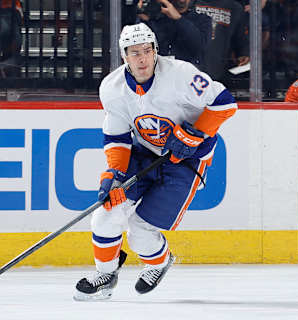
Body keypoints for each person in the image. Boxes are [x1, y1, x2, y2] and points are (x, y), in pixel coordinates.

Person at [74, 23, 237, 301]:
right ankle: (106, 274)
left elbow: (224, 103)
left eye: (147, 51)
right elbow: (117, 136)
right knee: (105, 216)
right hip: (143, 154)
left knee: (140, 230)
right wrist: (113, 172)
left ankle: (159, 263)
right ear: (124, 55)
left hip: (187, 161)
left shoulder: (181, 74)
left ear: (155, 51)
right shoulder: (112, 88)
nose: (142, 58)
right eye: (134, 52)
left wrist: (193, 135)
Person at [137, 0, 211, 67]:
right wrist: (141, 16)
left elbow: (199, 48)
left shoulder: (202, 19)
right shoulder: (158, 17)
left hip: (187, 73)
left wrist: (179, 19)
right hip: (160, 71)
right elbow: (143, 45)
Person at [194, 0, 249, 82]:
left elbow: (240, 39)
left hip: (218, 74)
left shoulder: (235, 8)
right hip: (190, 73)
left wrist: (243, 54)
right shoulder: (188, 3)